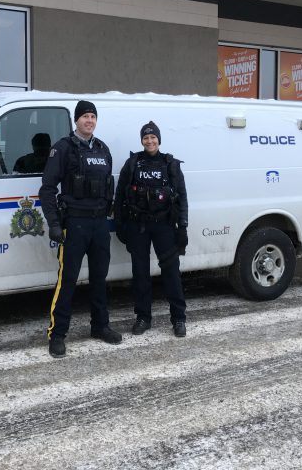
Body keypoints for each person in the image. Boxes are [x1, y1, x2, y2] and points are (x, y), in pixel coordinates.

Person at [39, 100, 121, 357]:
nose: (89, 120)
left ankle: (100, 326)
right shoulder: (63, 148)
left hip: (99, 224)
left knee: (99, 277)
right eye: (85, 116)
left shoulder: (102, 149)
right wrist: (54, 223)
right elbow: (48, 189)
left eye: (93, 116)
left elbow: (109, 186)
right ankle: (57, 334)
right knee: (68, 280)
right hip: (74, 223)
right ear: (76, 120)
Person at [114, 121, 189, 337]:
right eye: (146, 138)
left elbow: (182, 198)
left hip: (165, 225)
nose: (150, 141)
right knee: (140, 273)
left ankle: (179, 318)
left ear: (159, 139)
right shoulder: (132, 163)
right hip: (138, 226)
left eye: (153, 137)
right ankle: (143, 317)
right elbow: (119, 196)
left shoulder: (170, 165)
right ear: (142, 140)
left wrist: (182, 226)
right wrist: (120, 224)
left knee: (171, 272)